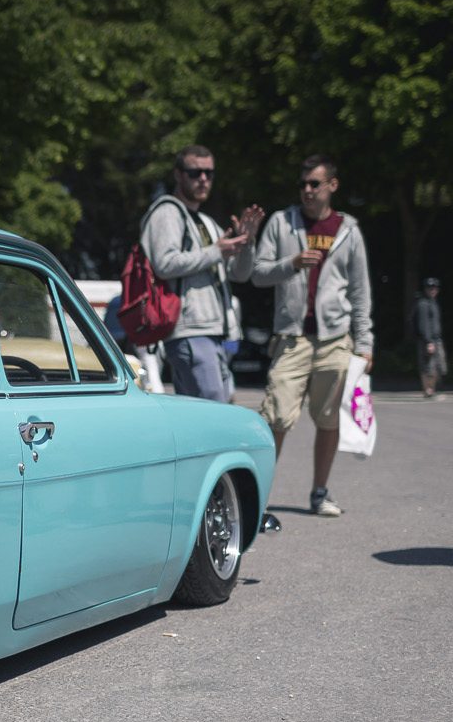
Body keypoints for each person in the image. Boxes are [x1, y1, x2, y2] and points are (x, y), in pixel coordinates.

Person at [249, 155, 372, 516]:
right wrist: (291, 263)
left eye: (314, 183)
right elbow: (258, 273)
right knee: (275, 417)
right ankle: (256, 499)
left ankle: (320, 492)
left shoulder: (348, 229)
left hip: (336, 340)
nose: (306, 190)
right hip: (292, 338)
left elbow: (360, 292)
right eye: (302, 183)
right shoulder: (281, 222)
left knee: (329, 418)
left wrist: (365, 344)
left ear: (332, 186)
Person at [141, 146, 263, 403]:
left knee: (210, 415)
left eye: (209, 173)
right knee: (214, 414)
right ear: (178, 175)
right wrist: (217, 251)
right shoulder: (167, 212)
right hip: (189, 331)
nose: (203, 179)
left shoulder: (206, 222)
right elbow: (164, 263)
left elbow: (239, 274)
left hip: (214, 332)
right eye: (195, 173)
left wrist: (247, 244)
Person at [413, 277, 446, 398]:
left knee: (437, 366)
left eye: (434, 288)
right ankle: (428, 390)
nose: (432, 290)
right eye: (430, 288)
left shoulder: (433, 302)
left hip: (436, 339)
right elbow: (424, 324)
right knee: (428, 366)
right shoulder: (422, 303)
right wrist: (428, 341)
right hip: (428, 340)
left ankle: (431, 389)